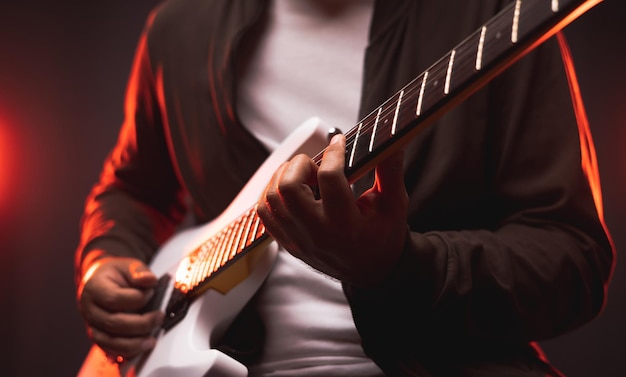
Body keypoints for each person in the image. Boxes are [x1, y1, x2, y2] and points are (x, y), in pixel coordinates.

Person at [75, 0, 615, 376]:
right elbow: (131, 190)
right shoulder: (177, 29)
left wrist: (400, 266)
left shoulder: (497, 12)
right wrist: (105, 260)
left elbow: (572, 259)